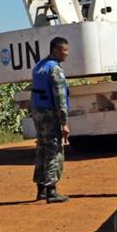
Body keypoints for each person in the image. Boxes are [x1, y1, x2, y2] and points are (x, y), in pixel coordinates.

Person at [31, 37, 71, 203]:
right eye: (65, 50)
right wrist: (64, 122)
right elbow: (60, 97)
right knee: (54, 150)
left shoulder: (39, 67)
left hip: (38, 113)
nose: (67, 54)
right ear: (56, 50)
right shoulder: (55, 69)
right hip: (50, 114)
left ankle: (41, 189)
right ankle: (51, 190)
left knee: (42, 148)